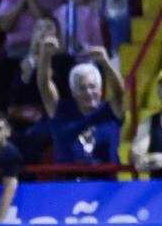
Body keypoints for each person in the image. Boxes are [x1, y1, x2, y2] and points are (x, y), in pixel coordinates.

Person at [36, 40, 125, 170]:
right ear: (74, 93)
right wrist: (45, 54)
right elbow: (44, 86)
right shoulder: (61, 110)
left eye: (92, 87)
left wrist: (105, 62)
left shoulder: (110, 111)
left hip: (106, 184)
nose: (89, 92)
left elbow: (119, 92)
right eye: (82, 88)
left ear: (100, 90)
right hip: (68, 184)